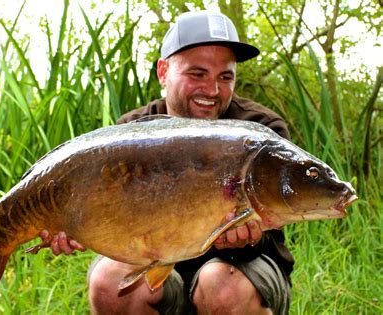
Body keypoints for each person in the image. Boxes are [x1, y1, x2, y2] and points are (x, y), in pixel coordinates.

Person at [41, 11, 293, 314]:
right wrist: (71, 224)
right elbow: (112, 222)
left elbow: (273, 232)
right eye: (197, 74)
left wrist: (248, 238)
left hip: (239, 272)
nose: (212, 91)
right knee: (110, 282)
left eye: (225, 77)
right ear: (163, 72)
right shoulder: (132, 132)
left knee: (220, 287)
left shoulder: (260, 129)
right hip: (156, 269)